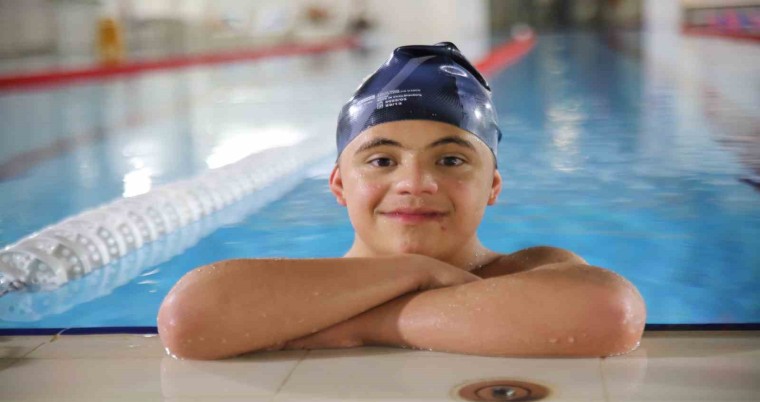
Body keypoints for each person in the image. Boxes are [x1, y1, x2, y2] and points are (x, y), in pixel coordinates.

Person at [157, 42, 646, 360]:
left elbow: (610, 310)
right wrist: (417, 272)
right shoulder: (297, 287)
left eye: (450, 160)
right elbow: (187, 318)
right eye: (382, 161)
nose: (415, 183)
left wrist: (361, 324)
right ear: (339, 185)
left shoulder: (530, 271)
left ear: (493, 186)